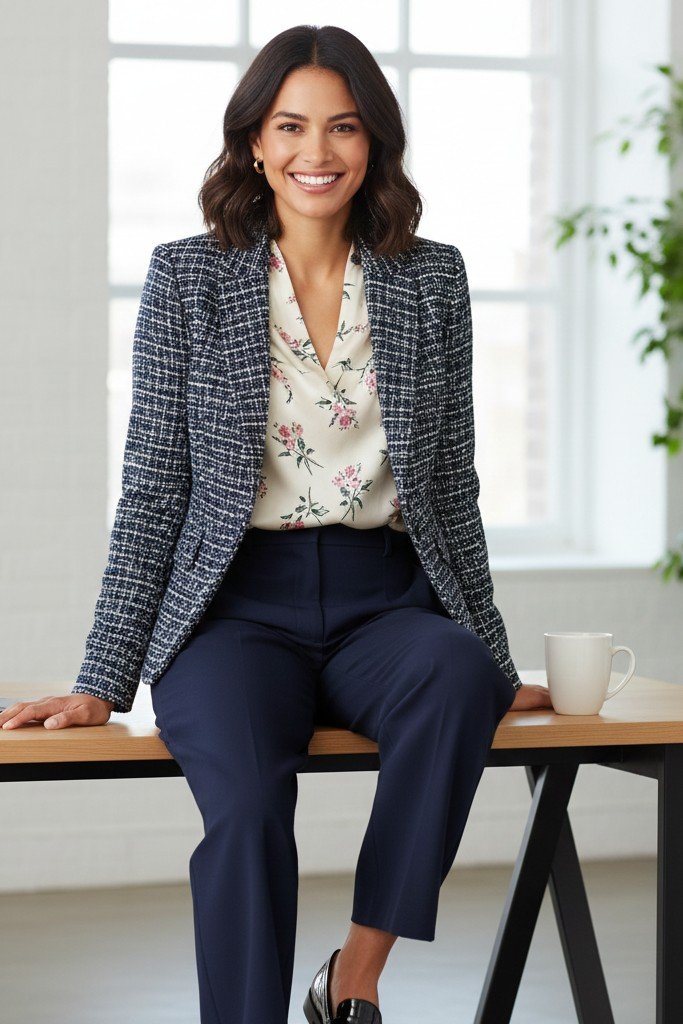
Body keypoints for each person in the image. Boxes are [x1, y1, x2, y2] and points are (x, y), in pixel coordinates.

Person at [0, 23, 552, 1024]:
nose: (317, 152)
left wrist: (495, 655)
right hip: (233, 611)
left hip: (384, 599)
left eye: (343, 128)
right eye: (290, 126)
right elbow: (156, 490)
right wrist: (100, 679)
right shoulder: (188, 278)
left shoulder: (432, 279)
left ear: (372, 142)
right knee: (250, 807)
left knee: (460, 679)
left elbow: (450, 484)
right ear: (254, 141)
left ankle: (352, 979)